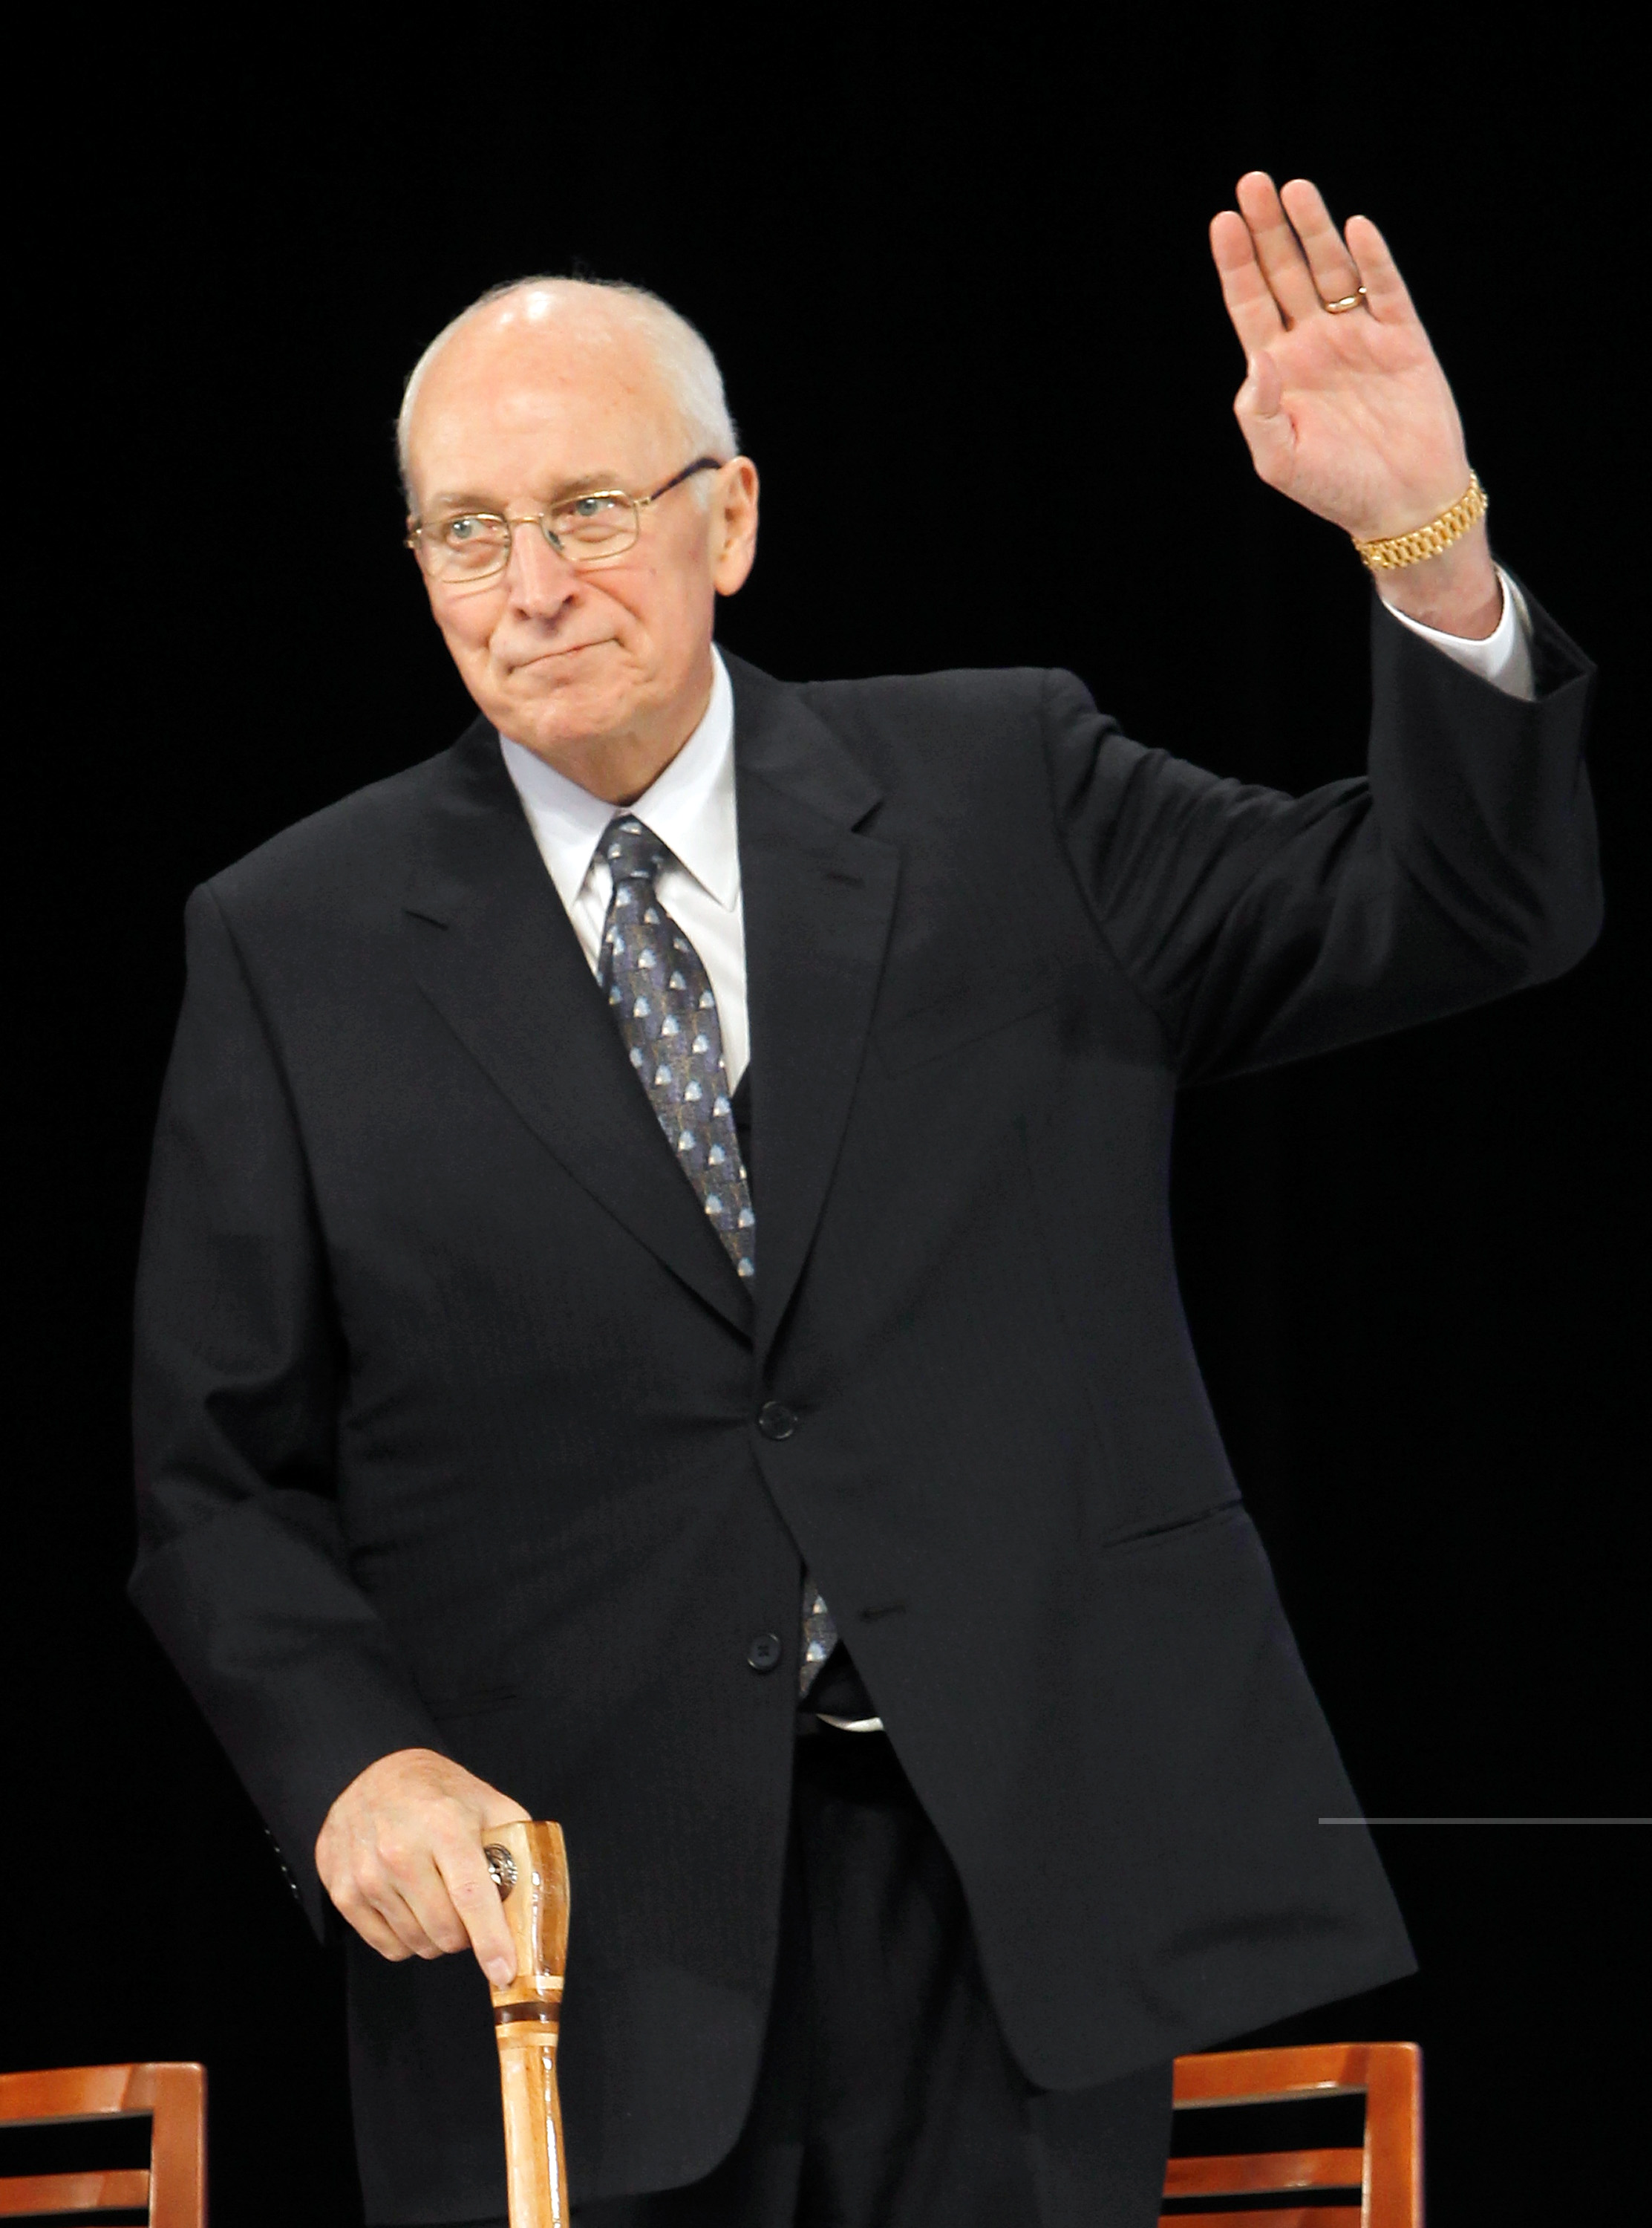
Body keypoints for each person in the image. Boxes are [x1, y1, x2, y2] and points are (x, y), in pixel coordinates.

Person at [130, 172, 1599, 2228]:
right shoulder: (292, 942)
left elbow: (1461, 911)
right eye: (467, 530)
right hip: (571, 1938)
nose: (528, 582)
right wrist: (349, 1763)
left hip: (1020, 1895)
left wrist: (1418, 545)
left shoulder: (1007, 790)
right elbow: (214, 1479)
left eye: (586, 511)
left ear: (727, 517)